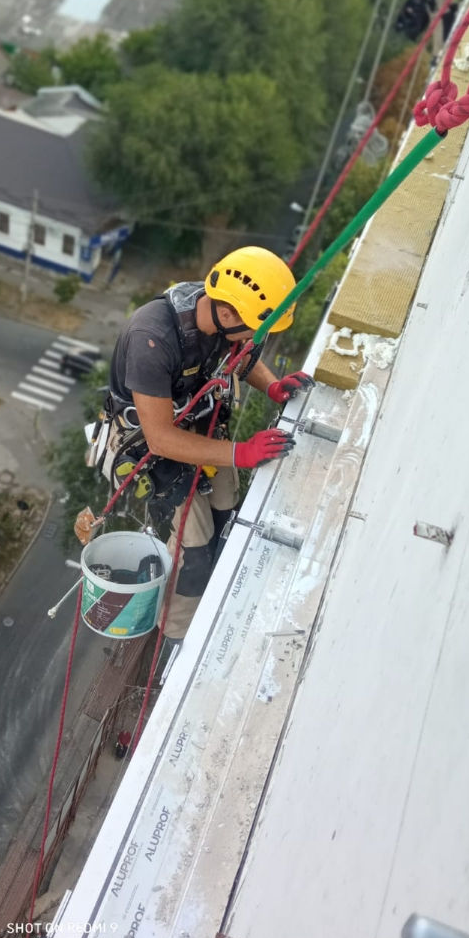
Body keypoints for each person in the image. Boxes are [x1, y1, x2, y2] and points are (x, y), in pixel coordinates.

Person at [107, 246, 313, 646]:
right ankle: (175, 636)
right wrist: (242, 453)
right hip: (151, 447)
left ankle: (206, 597)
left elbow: (238, 358)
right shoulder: (152, 338)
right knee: (196, 551)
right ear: (229, 313)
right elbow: (161, 438)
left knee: (227, 517)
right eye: (256, 328)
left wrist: (271, 385)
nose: (259, 339)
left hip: (198, 428)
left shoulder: (221, 317)